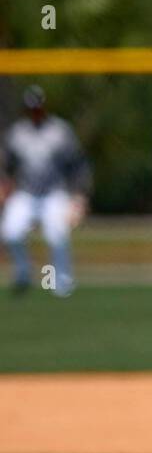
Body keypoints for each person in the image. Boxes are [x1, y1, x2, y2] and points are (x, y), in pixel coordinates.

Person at [1, 86, 91, 297]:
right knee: (10, 231)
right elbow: (6, 164)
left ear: (44, 107)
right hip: (26, 192)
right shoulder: (17, 133)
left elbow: (77, 165)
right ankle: (23, 272)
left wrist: (79, 196)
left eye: (38, 107)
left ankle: (61, 282)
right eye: (31, 108)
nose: (35, 112)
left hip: (54, 192)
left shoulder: (59, 131)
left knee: (57, 235)